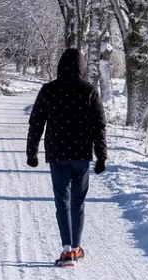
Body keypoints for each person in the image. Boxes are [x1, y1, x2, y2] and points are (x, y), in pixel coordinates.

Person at [26, 47, 107, 268]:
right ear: (82, 68)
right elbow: (99, 126)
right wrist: (101, 156)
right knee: (78, 203)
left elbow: (36, 123)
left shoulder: (49, 90)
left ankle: (65, 250)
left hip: (58, 154)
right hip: (81, 155)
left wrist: (31, 153)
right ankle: (75, 248)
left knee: (62, 201)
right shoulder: (89, 91)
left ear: (60, 66)